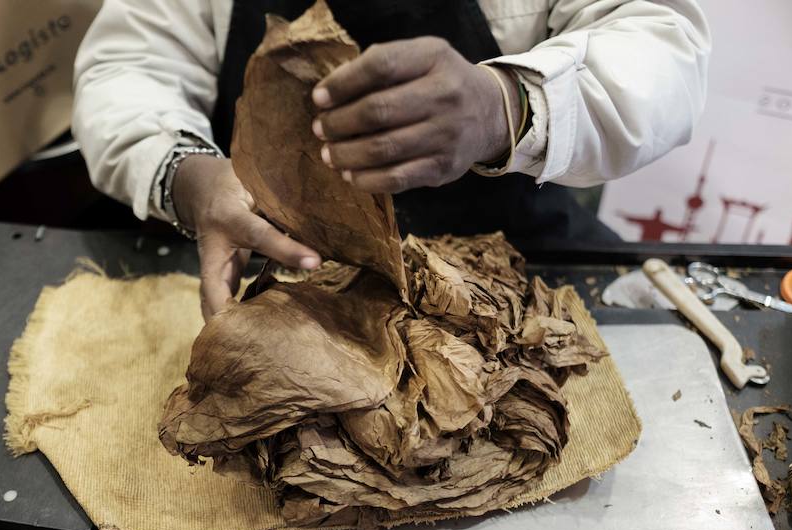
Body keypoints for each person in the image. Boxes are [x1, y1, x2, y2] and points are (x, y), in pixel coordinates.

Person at [72, 0, 710, 319]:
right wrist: (187, 176)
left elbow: (663, 44)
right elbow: (128, 66)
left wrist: (504, 105)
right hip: (279, 260)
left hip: (514, 243)